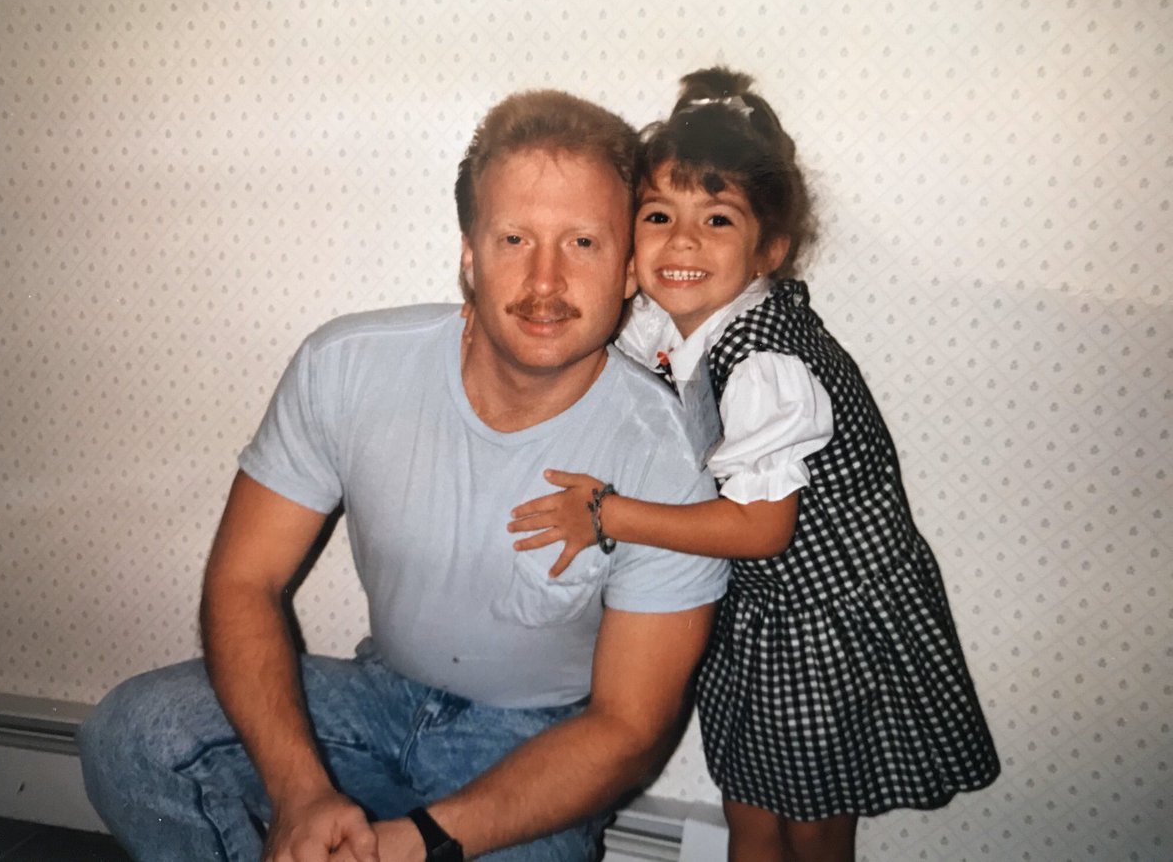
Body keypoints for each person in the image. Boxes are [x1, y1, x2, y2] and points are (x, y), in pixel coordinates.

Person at [77, 89, 730, 862]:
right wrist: (300, 793)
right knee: (132, 737)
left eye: (582, 243)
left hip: (541, 743)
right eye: (514, 238)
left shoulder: (670, 456)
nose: (545, 282)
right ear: (469, 256)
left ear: (626, 270)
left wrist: (421, 841)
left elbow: (628, 728)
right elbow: (244, 579)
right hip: (374, 700)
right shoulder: (348, 368)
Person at [509, 67, 1000, 862]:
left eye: (718, 219)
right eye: (659, 215)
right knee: (749, 811)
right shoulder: (670, 326)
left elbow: (762, 527)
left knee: (814, 828)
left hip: (826, 625)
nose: (683, 241)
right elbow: (601, 359)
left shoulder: (767, 360)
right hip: (761, 617)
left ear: (769, 249)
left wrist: (606, 514)